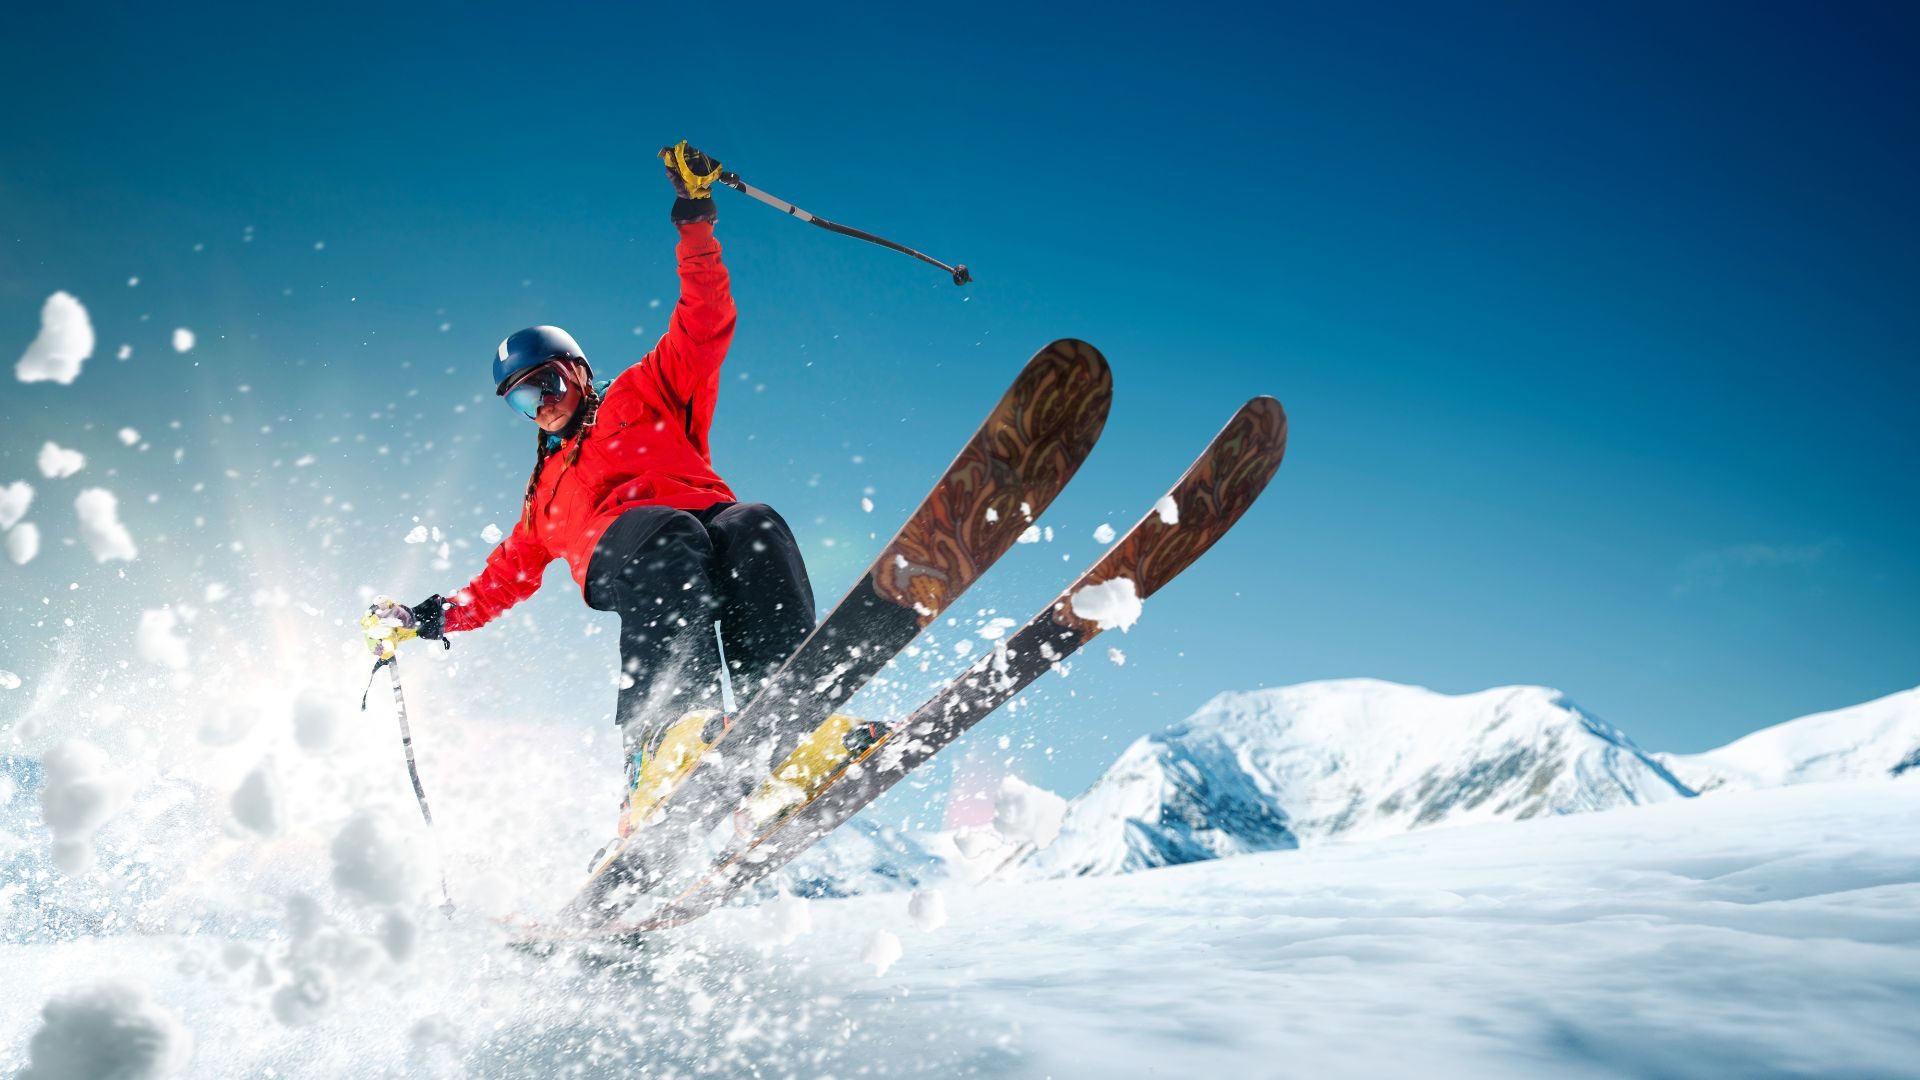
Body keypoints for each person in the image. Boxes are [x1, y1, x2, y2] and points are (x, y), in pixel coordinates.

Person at [376, 141, 816, 823]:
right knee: (666, 535)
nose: (542, 405)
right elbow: (501, 581)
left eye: (547, 383)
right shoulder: (545, 495)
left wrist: (694, 220)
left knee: (753, 524)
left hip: (707, 526)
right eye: (523, 401)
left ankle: (787, 726)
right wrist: (430, 615)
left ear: (578, 371)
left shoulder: (645, 391)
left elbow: (703, 324)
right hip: (632, 554)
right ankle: (664, 739)